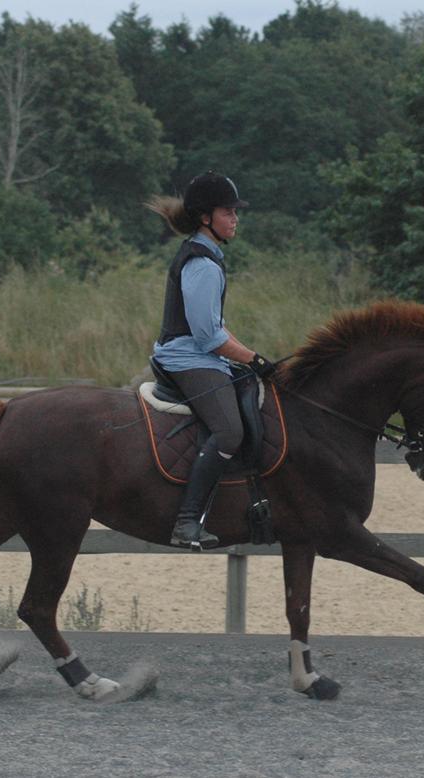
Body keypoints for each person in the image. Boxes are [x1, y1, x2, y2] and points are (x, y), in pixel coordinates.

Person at [147, 172, 276, 550]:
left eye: (235, 211)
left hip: (199, 354)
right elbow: (208, 336)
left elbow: (219, 327)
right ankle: (187, 521)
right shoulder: (202, 264)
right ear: (206, 218)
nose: (235, 218)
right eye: (228, 212)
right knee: (229, 431)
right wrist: (253, 358)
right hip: (188, 358)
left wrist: (252, 358)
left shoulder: (208, 257)